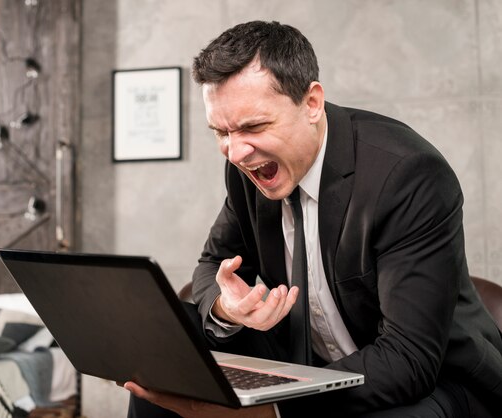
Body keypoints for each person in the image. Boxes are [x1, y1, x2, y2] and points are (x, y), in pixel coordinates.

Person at [124, 21, 502, 417]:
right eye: (221, 132)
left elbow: (408, 361)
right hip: (307, 367)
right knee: (161, 377)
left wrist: (274, 409)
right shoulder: (248, 166)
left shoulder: (407, 175)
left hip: (436, 383)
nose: (234, 152)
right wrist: (225, 307)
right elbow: (211, 266)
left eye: (253, 126)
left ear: (311, 103)